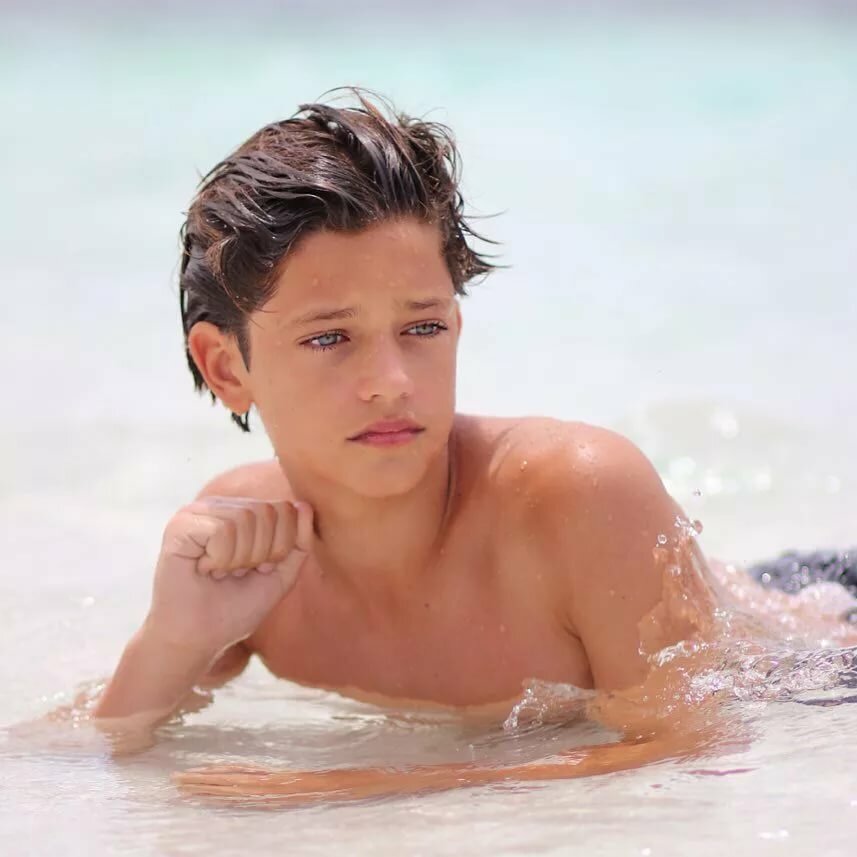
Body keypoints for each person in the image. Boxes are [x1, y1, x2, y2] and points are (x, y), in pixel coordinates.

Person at [92, 90, 857, 804]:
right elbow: (86, 758)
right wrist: (174, 639)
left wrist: (354, 791)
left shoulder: (578, 494)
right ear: (226, 367)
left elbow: (696, 746)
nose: (391, 382)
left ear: (455, 325)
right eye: (329, 338)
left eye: (421, 327)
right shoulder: (254, 550)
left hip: (822, 649)